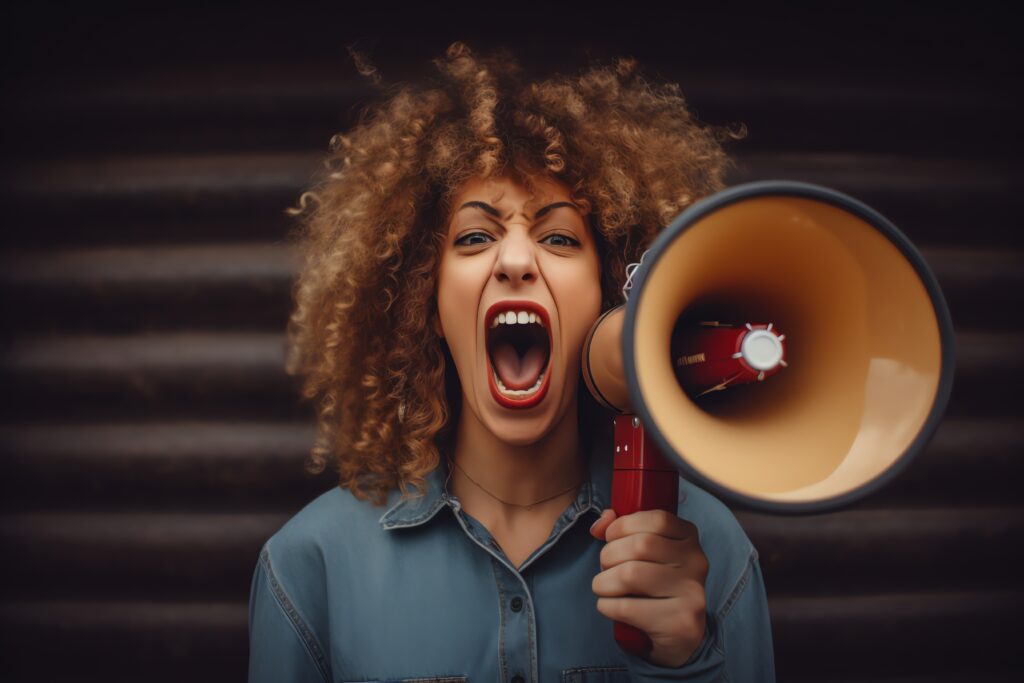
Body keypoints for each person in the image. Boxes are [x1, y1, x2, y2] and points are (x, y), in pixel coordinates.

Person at [248, 42, 775, 682]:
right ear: (425, 300)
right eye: (475, 236)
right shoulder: (313, 564)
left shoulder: (710, 551)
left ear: (613, 296)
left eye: (557, 237)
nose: (517, 260)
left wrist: (688, 663)